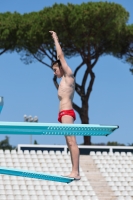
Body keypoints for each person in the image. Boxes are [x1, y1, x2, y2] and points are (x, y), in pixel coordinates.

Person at [49, 31, 81, 180]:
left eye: (55, 69)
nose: (55, 72)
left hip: (67, 112)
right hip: (62, 114)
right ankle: (73, 171)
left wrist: (56, 38)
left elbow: (60, 56)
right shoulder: (62, 81)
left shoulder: (69, 75)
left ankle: (76, 172)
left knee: (72, 141)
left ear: (61, 67)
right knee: (69, 143)